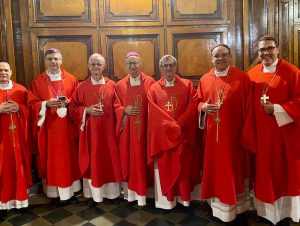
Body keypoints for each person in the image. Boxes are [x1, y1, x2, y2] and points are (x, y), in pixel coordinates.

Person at [197, 44, 255, 224]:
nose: (220, 58)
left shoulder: (242, 78)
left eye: (224, 55)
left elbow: (249, 108)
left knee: (234, 172)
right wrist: (203, 107)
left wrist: (245, 134)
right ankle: (217, 208)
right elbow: (198, 102)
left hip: (234, 138)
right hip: (213, 140)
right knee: (215, 172)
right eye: (216, 56)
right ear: (211, 58)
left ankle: (239, 208)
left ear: (230, 57)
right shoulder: (205, 79)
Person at [248, 36, 300, 226]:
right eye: (262, 50)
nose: (266, 53)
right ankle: (265, 213)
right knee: (264, 174)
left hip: (285, 137)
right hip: (261, 136)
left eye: (270, 48)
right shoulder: (252, 74)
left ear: (278, 49)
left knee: (284, 174)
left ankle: (287, 213)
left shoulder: (292, 72)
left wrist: (278, 109)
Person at [147, 55, 201, 210]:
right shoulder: (154, 88)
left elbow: (193, 106)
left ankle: (184, 201)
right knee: (166, 169)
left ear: (176, 67)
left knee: (183, 169)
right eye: (165, 66)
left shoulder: (187, 85)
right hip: (164, 140)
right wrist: (171, 126)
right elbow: (153, 112)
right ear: (160, 68)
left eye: (171, 65)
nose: (168, 68)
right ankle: (166, 203)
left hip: (182, 136)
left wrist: (179, 124)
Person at [27, 48, 81, 205]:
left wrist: (70, 103)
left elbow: (78, 102)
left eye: (56, 58)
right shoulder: (38, 82)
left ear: (61, 60)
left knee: (68, 160)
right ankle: (54, 194)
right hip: (49, 130)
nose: (53, 62)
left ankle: (69, 194)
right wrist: (45, 104)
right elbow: (31, 104)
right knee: (52, 161)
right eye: (50, 59)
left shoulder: (71, 79)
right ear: (45, 61)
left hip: (67, 129)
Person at [69, 53, 122, 206]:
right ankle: (95, 196)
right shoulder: (81, 87)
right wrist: (86, 110)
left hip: (109, 133)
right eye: (92, 64)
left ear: (104, 67)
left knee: (110, 161)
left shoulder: (112, 85)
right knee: (93, 162)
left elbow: (118, 107)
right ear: (88, 66)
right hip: (91, 135)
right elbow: (73, 108)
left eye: (99, 64)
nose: (95, 67)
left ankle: (113, 195)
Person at [114, 52, 155, 206]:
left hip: (146, 131)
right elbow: (116, 107)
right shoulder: (120, 85)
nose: (132, 66)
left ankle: (148, 194)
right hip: (129, 134)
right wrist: (125, 110)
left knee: (146, 160)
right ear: (126, 65)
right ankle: (131, 195)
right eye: (129, 63)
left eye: (135, 63)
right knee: (131, 160)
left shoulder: (150, 82)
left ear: (141, 63)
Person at [0, 62, 32, 220]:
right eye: (0, 70)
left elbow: (31, 110)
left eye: (6, 70)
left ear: (11, 72)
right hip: (1, 142)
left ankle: (22, 202)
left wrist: (20, 108)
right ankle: (2, 205)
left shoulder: (21, 89)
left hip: (18, 140)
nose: (3, 73)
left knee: (19, 168)